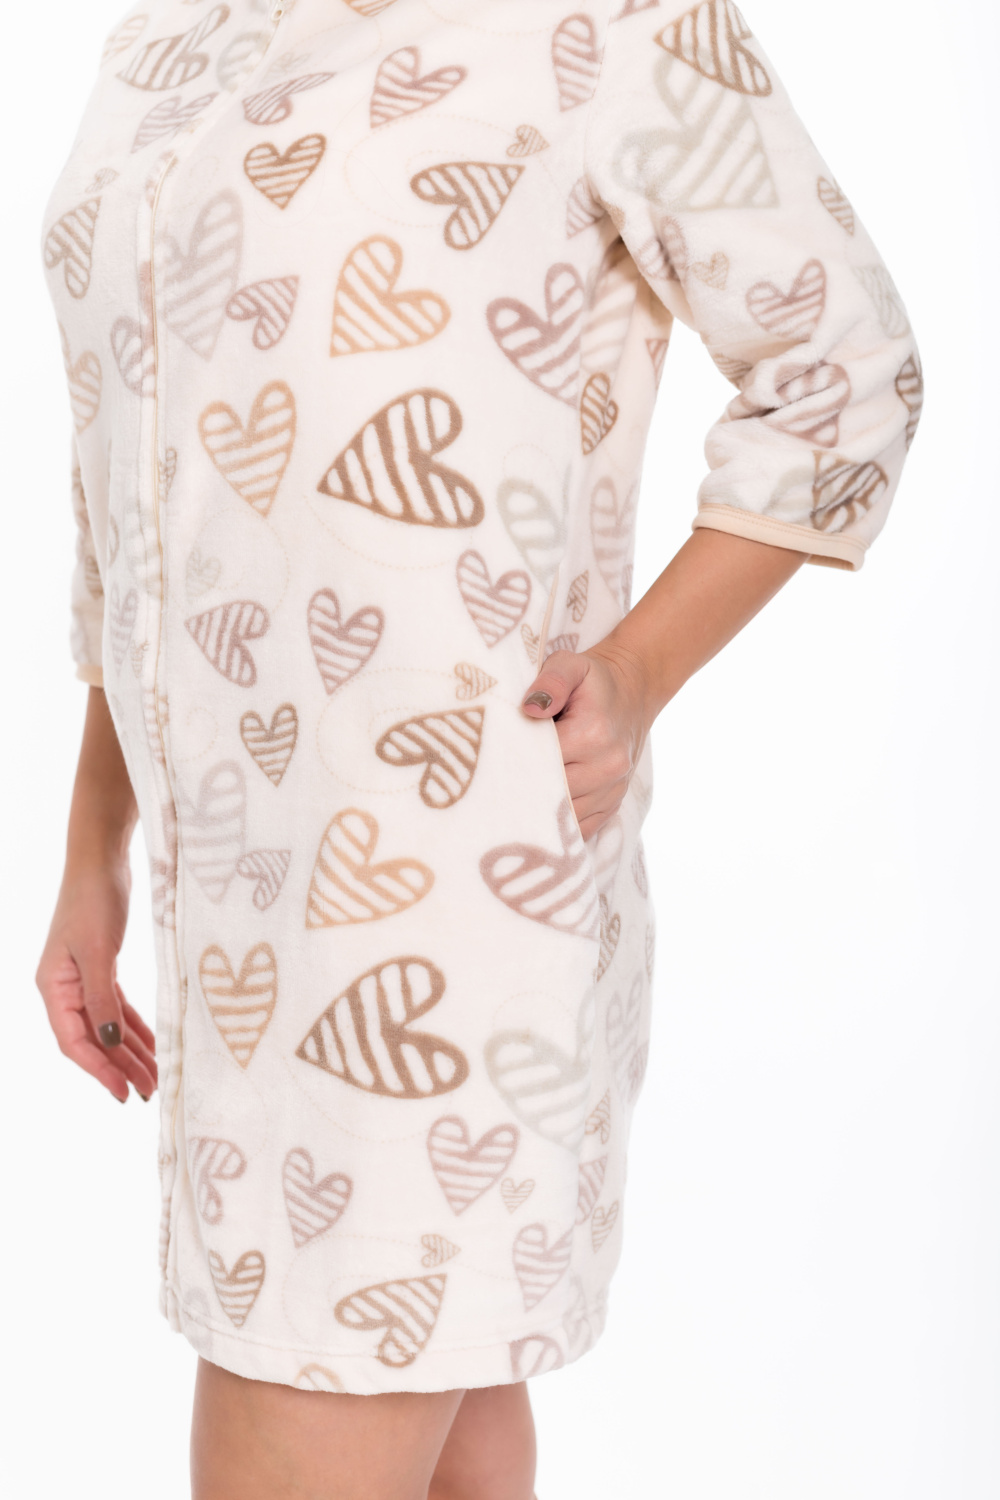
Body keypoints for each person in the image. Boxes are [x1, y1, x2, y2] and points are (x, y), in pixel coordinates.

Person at [35, 1, 922, 1496]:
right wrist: (94, 845)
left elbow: (844, 363)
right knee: (449, 1428)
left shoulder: (615, 19)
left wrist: (637, 671)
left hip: (452, 898)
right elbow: (129, 488)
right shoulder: (162, 38)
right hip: (234, 912)